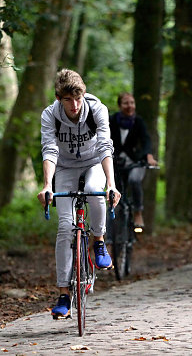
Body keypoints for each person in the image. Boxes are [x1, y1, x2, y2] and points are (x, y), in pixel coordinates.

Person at [37, 69, 121, 318]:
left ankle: (99, 242)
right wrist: (47, 186)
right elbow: (49, 150)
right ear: (59, 98)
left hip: (94, 162)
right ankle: (64, 293)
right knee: (64, 227)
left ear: (83, 95)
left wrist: (112, 184)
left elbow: (106, 146)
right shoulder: (50, 115)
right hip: (64, 167)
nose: (74, 106)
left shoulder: (97, 110)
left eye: (78, 98)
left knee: (95, 192)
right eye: (67, 100)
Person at [109, 93, 158, 229]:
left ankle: (138, 212)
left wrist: (148, 155)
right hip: (116, 163)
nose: (129, 106)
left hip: (135, 162)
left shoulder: (139, 122)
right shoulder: (111, 121)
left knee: (135, 180)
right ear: (120, 105)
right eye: (126, 103)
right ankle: (109, 236)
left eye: (132, 103)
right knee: (113, 193)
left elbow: (146, 140)